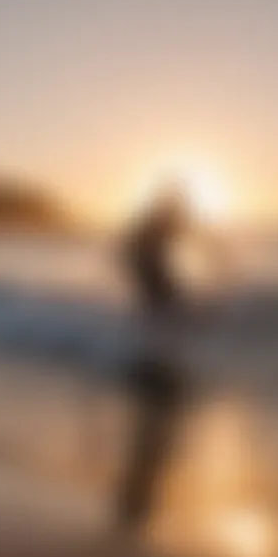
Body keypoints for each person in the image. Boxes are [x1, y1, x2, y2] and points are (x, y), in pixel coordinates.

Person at [116, 180, 221, 531]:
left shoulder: (156, 216)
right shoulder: (162, 216)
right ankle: (158, 365)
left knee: (167, 314)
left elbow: (129, 247)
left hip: (146, 270)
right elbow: (191, 238)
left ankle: (154, 362)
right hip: (148, 270)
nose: (183, 206)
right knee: (172, 311)